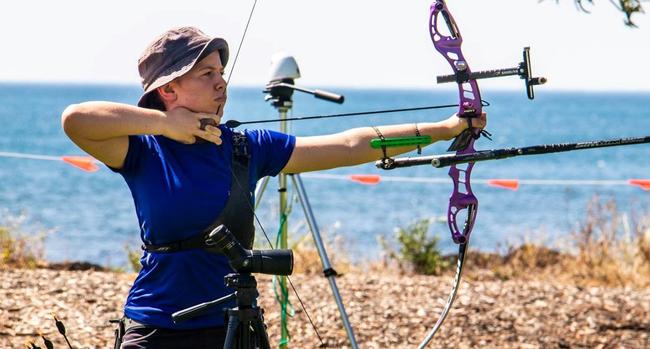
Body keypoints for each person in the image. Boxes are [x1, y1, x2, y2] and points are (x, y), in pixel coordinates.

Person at [61, 26, 486, 348]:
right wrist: (166, 125)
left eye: (221, 72)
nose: (221, 83)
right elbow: (76, 119)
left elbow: (350, 143)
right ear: (168, 89)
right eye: (206, 73)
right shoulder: (142, 151)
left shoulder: (245, 148)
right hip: (155, 323)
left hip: (231, 323)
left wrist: (444, 127)